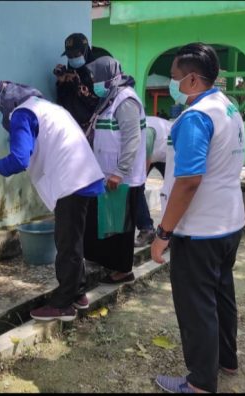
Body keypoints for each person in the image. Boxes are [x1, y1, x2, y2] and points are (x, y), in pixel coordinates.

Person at [150, 42, 245, 394]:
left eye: (174, 78)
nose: (171, 83)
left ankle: (201, 383)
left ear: (192, 79)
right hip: (229, 222)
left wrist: (164, 232)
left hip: (200, 229)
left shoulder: (195, 118)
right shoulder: (227, 107)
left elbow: (188, 181)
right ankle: (226, 359)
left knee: (196, 306)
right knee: (221, 295)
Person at [0, 81, 105, 322]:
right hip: (81, 175)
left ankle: (63, 304)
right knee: (72, 240)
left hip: (71, 180)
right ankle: (78, 292)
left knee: (66, 243)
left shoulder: (21, 114)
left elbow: (18, 159)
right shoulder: (43, 106)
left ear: (6, 103)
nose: (0, 116)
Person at [84, 56, 147, 284]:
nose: (94, 84)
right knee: (105, 222)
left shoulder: (126, 101)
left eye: (96, 79)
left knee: (120, 226)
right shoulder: (109, 99)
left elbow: (133, 139)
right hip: (105, 174)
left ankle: (123, 270)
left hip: (122, 177)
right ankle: (104, 262)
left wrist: (120, 172)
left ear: (108, 78)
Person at [134, 116, 173, 247]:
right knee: (136, 190)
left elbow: (145, 160)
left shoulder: (146, 130)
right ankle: (147, 229)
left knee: (173, 190)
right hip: (153, 152)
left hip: (169, 152)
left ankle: (174, 230)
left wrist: (139, 177)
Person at [53, 32, 99, 132]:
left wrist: (78, 85)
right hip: (71, 129)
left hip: (91, 130)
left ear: (85, 52)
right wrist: (61, 83)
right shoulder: (70, 73)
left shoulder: (97, 72)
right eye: (70, 55)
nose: (73, 58)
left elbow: (97, 104)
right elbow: (62, 103)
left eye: (76, 54)